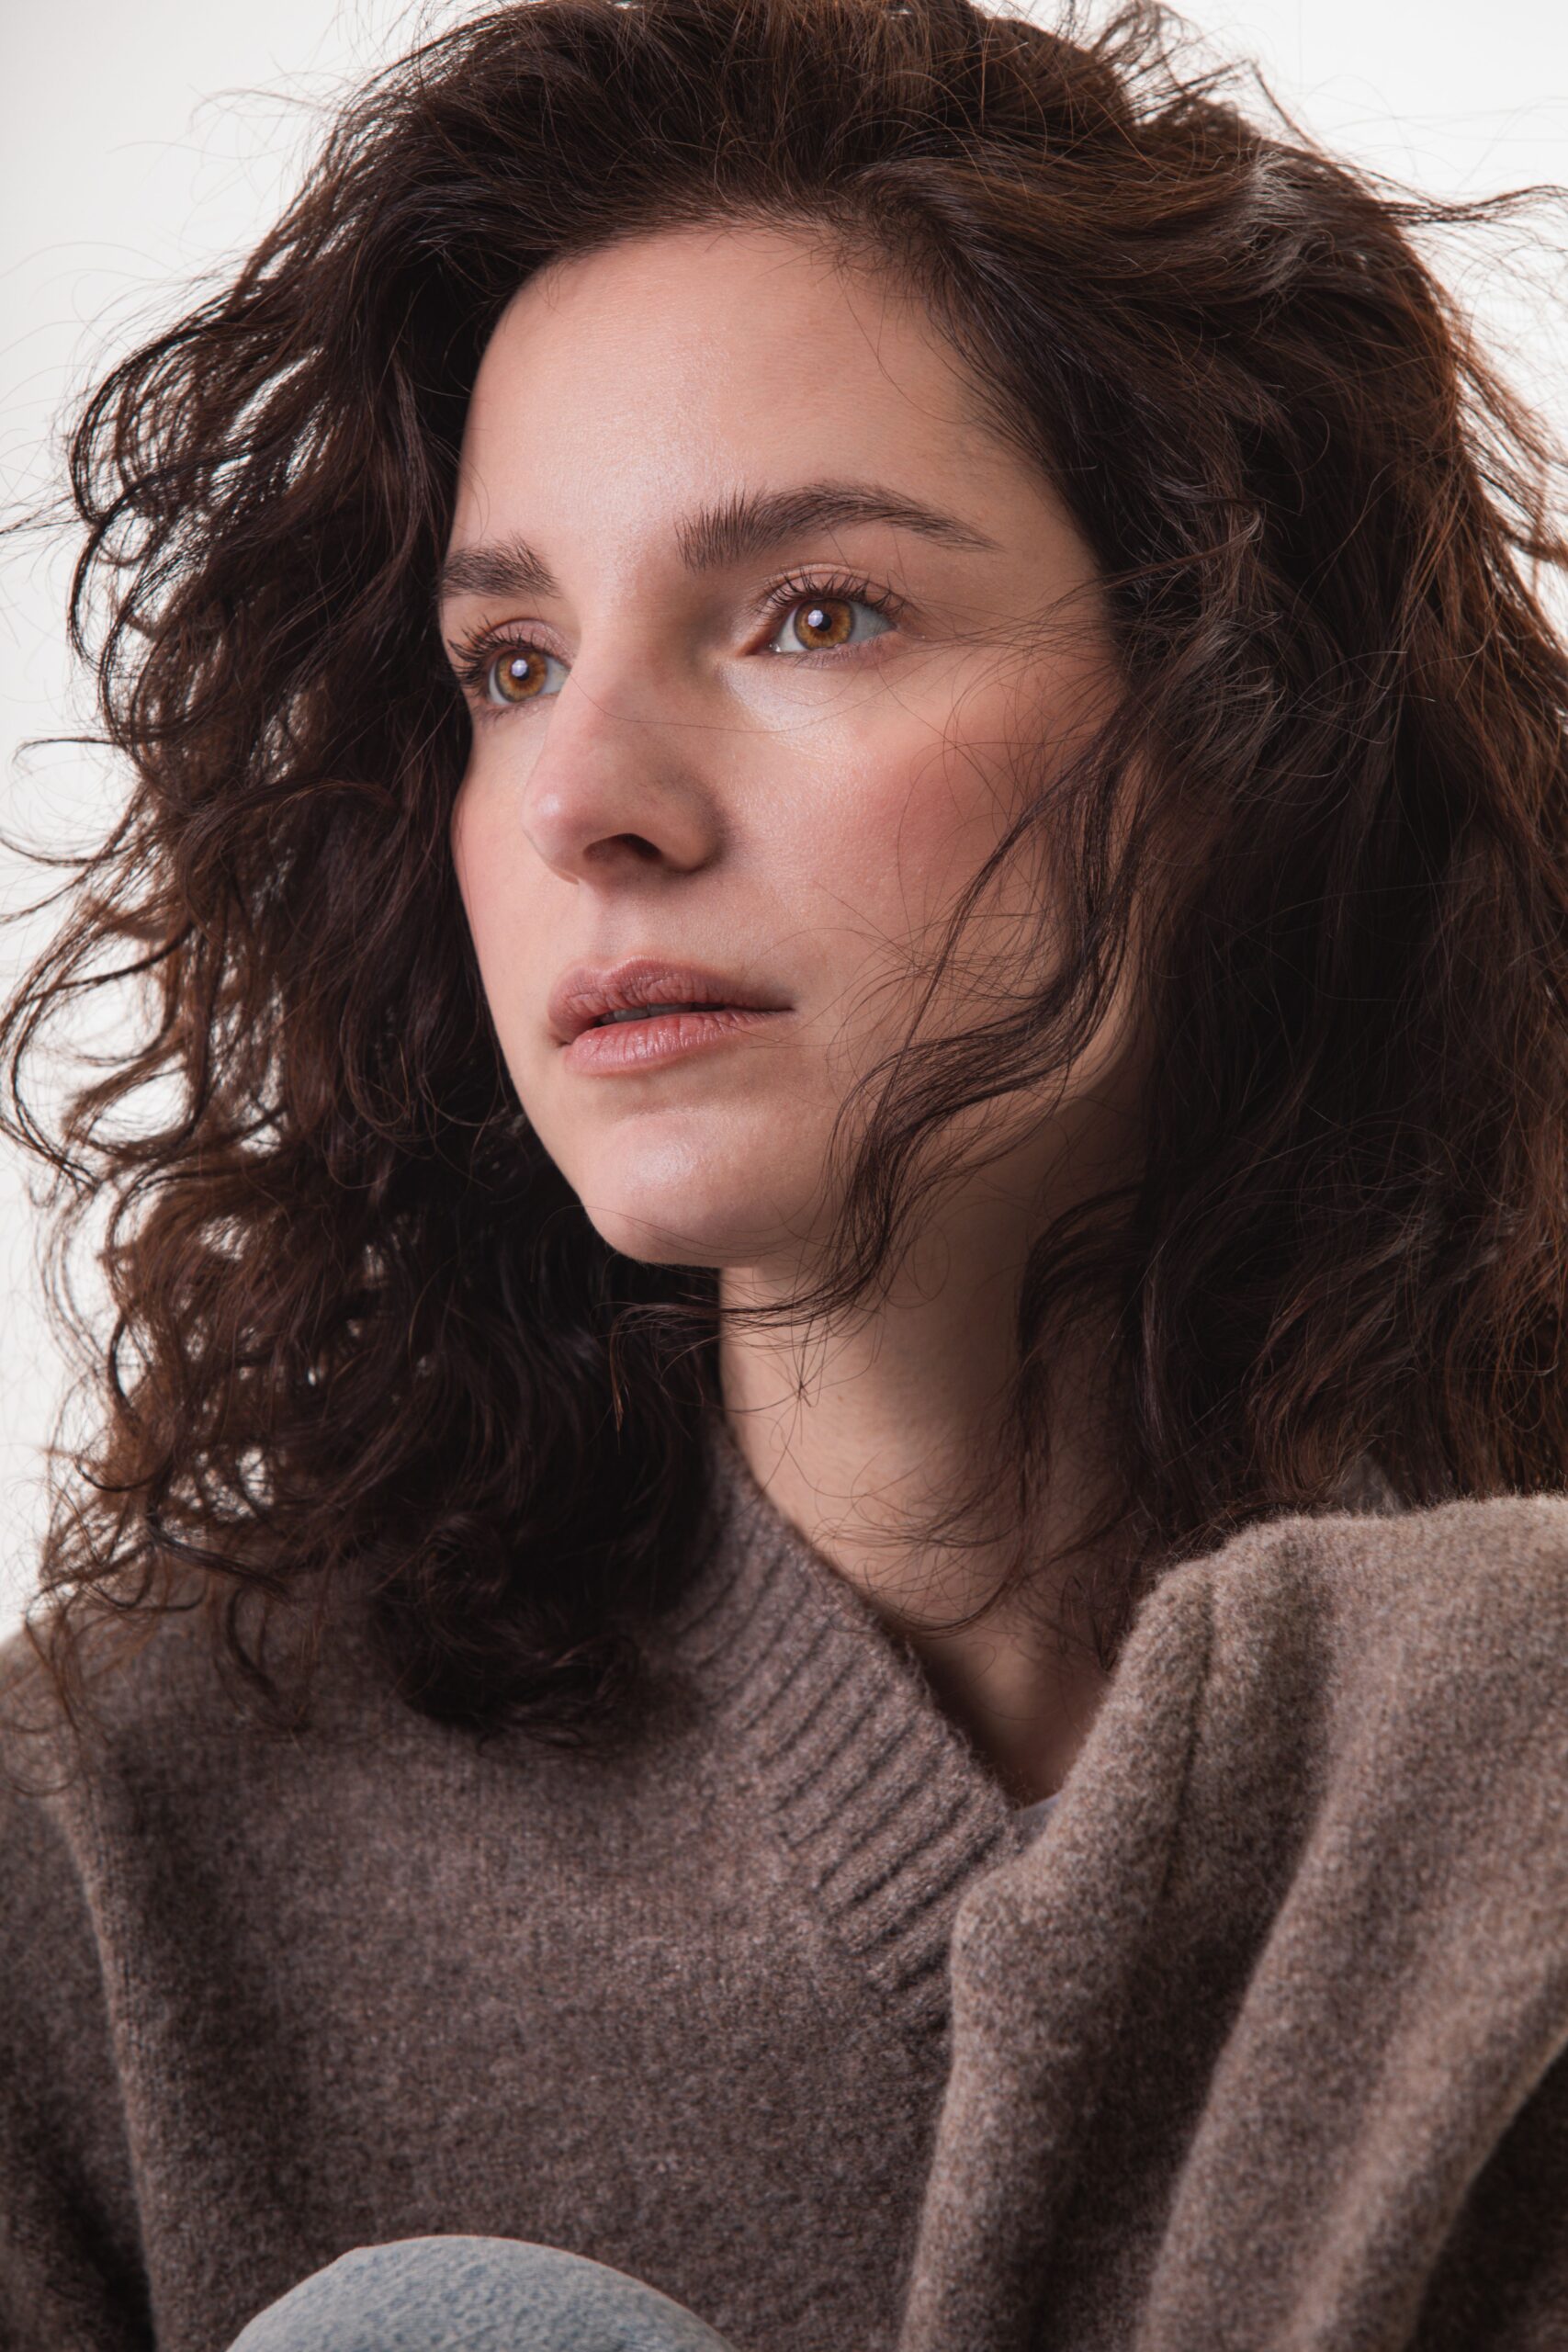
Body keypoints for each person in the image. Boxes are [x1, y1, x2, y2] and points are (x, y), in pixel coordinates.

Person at [3, 0, 1566, 2344]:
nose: (582, 800)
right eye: (508, 662)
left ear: (1238, 717)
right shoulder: (116, 1849)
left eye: (812, 612)